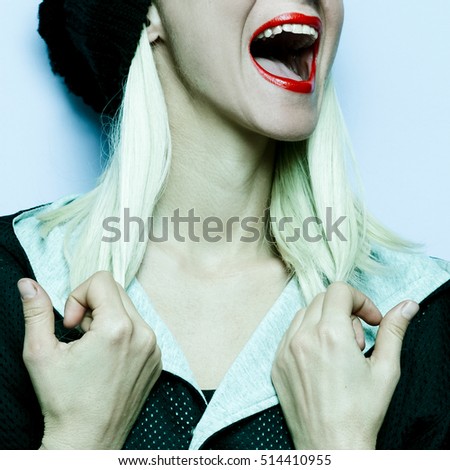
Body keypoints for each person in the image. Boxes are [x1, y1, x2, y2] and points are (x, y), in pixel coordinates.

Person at [0, 0, 449, 450]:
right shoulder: (17, 283)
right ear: (149, 12)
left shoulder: (422, 313)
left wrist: (341, 447)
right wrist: (77, 441)